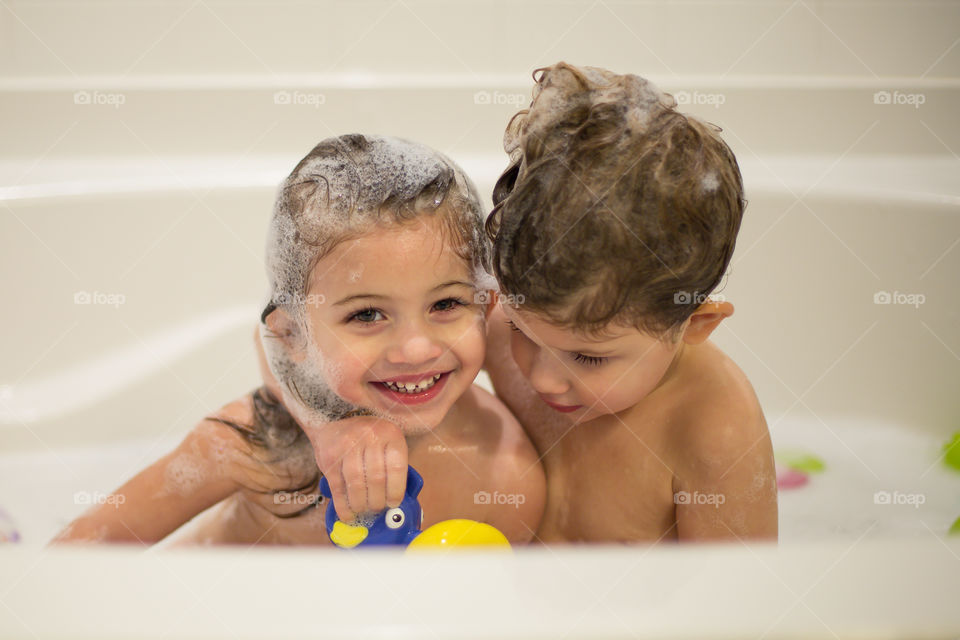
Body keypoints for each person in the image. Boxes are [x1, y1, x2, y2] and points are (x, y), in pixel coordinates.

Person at [52, 134, 545, 546]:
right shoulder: (259, 447)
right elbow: (69, 562)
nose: (416, 349)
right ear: (292, 334)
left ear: (488, 303)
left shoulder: (506, 475)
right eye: (368, 314)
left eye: (445, 305)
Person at [482, 62, 777, 542]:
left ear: (695, 323)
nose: (540, 376)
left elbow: (738, 604)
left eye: (589, 356)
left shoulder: (713, 428)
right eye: (521, 330)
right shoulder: (496, 326)